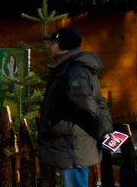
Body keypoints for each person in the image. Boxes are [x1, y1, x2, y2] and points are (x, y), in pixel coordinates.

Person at [38, 27, 113, 187]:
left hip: (73, 143)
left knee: (74, 183)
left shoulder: (74, 71)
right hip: (72, 141)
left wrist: (102, 131)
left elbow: (85, 106)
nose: (50, 46)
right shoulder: (69, 68)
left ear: (63, 46)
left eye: (53, 42)